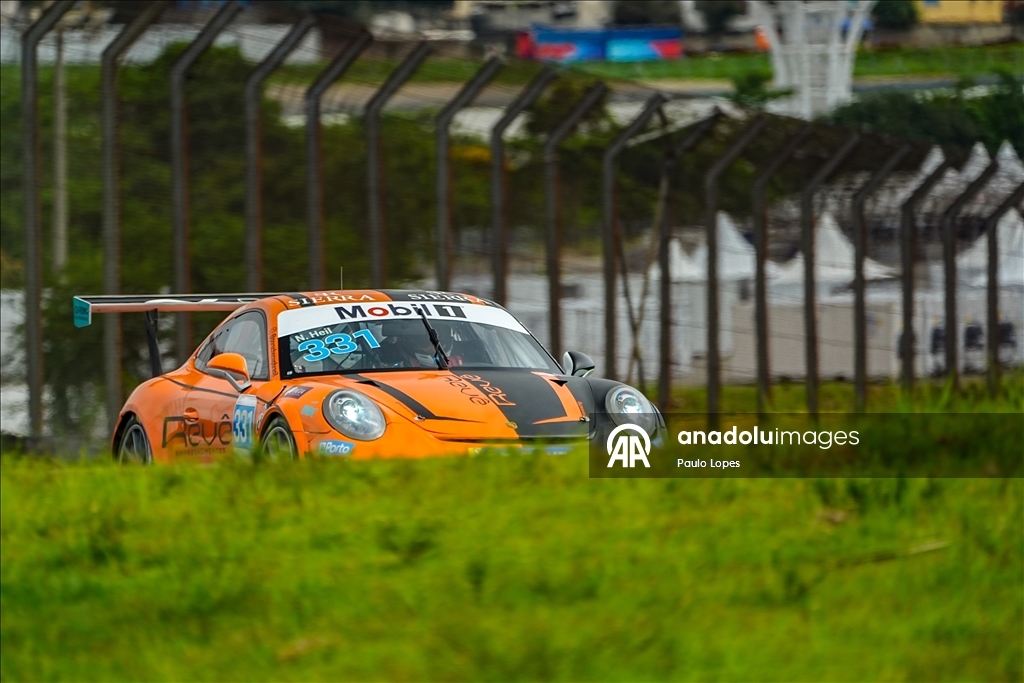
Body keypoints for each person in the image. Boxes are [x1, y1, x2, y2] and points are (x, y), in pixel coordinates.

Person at [378, 319, 462, 368]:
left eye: (442, 342)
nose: (434, 347)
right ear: (407, 343)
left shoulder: (462, 364)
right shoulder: (382, 366)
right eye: (424, 342)